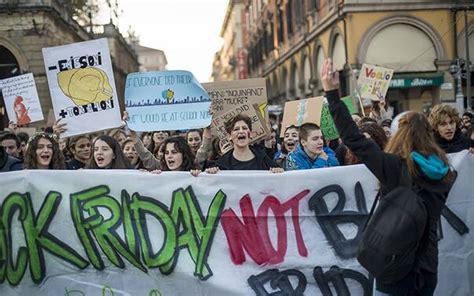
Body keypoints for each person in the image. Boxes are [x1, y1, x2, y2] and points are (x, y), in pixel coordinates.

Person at [321, 58, 456, 296]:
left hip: (394, 265)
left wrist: (332, 94)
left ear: (398, 135)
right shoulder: (446, 172)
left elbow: (353, 139)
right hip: (426, 268)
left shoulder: (394, 167)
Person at [206, 114, 283, 173]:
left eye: (245, 128)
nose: (241, 131)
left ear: (251, 134)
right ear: (230, 136)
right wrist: (212, 172)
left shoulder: (264, 159)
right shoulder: (221, 164)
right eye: (236, 129)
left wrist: (277, 171)